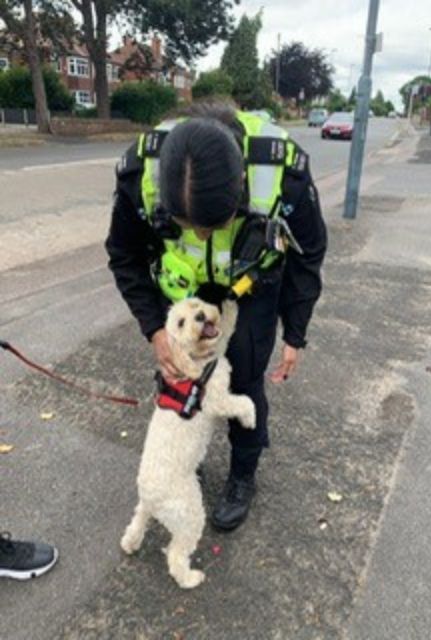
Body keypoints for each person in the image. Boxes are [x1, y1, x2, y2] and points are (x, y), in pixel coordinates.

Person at [106, 102, 327, 531]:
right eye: (184, 223)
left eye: (210, 223)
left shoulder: (284, 171)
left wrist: (295, 333)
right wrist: (154, 329)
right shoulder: (141, 170)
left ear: (240, 182)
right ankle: (185, 459)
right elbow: (124, 254)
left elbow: (309, 253)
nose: (200, 235)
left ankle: (243, 474)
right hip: (182, 288)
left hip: (251, 284)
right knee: (177, 375)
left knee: (242, 378)